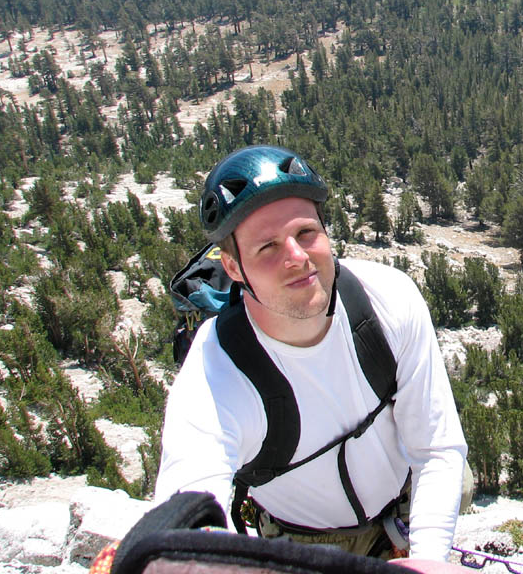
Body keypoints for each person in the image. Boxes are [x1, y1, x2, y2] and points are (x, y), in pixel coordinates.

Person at [156, 145, 469, 561]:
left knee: (458, 482)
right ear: (233, 268)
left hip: (403, 505)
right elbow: (188, 505)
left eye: (307, 233)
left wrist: (426, 561)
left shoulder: (388, 301)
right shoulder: (217, 371)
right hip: (304, 543)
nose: (297, 258)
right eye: (267, 247)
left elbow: (436, 450)